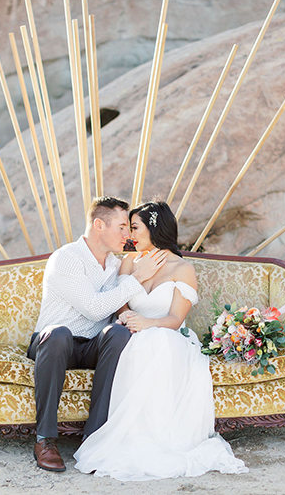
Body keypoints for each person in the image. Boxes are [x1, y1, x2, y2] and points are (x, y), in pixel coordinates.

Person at [74, 201, 248, 481]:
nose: (129, 235)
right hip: (132, 330)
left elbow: (175, 319)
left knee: (156, 343)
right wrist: (127, 314)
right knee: (131, 342)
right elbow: (120, 301)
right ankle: (125, 435)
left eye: (134, 227)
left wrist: (148, 324)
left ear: (154, 228)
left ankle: (153, 436)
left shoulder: (182, 269)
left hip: (168, 335)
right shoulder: (130, 261)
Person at [28, 196, 168, 472]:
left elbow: (117, 306)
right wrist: (136, 279)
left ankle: (94, 437)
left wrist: (127, 315)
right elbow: (93, 309)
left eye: (130, 228)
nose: (127, 235)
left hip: (91, 346)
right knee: (58, 334)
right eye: (122, 227)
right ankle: (45, 439)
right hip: (54, 346)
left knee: (118, 334)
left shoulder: (117, 265)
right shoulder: (66, 258)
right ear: (99, 225)